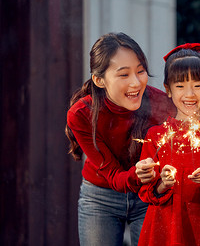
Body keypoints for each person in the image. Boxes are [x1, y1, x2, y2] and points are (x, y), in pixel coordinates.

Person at [66, 32, 175, 246]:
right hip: (100, 197)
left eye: (141, 71)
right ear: (99, 80)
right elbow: (115, 177)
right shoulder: (81, 114)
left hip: (149, 194)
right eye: (124, 75)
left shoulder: (162, 104)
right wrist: (138, 172)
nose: (136, 82)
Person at [137, 43, 200, 246]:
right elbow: (145, 192)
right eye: (180, 86)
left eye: (198, 86)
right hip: (164, 228)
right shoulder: (155, 135)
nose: (189, 94)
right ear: (168, 90)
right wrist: (164, 183)